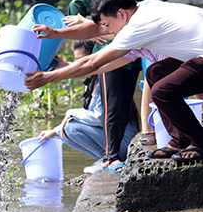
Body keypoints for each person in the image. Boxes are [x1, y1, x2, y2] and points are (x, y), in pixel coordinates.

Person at [25, 0, 203, 162]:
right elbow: (102, 60)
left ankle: (202, 144)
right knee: (155, 72)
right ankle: (178, 140)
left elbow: (93, 62)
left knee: (162, 91)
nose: (109, 31)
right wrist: (59, 39)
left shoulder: (137, 27)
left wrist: (48, 77)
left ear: (121, 13)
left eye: (109, 24)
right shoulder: (143, 9)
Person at [65, 0, 151, 173]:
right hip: (108, 55)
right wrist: (90, 36)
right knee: (111, 107)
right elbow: (75, 8)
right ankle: (110, 157)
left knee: (124, 104)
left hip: (131, 55)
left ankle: (119, 153)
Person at [37, 40, 138, 174]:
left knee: (70, 128)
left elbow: (98, 117)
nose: (78, 64)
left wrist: (69, 113)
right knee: (64, 131)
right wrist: (55, 131)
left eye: (80, 60)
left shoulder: (104, 78)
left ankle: (108, 158)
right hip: (119, 142)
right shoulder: (95, 78)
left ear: (93, 56)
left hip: (124, 143)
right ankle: (105, 157)